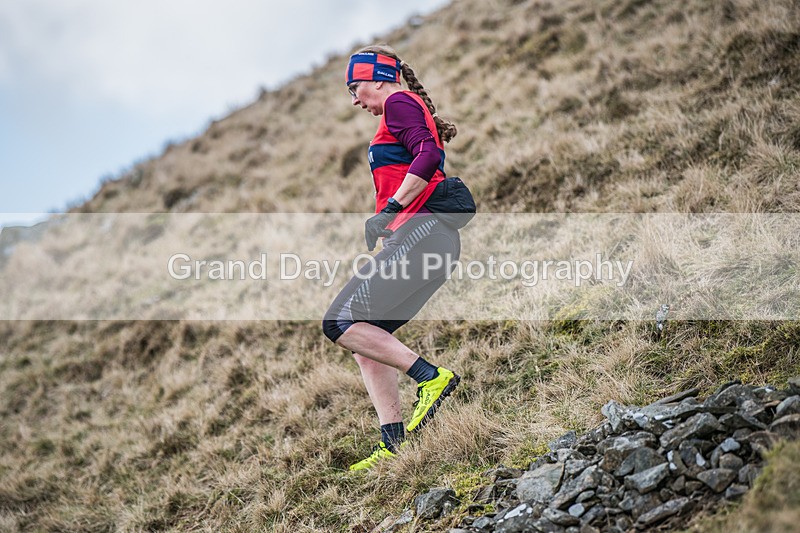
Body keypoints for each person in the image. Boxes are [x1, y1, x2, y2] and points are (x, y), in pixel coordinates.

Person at [322, 45, 462, 471]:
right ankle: (393, 443)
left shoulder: (399, 102)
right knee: (366, 342)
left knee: (338, 322)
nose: (354, 100)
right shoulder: (400, 109)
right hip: (426, 239)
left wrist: (390, 210)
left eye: (355, 88)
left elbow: (428, 155)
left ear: (378, 78)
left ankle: (430, 378)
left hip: (421, 234)